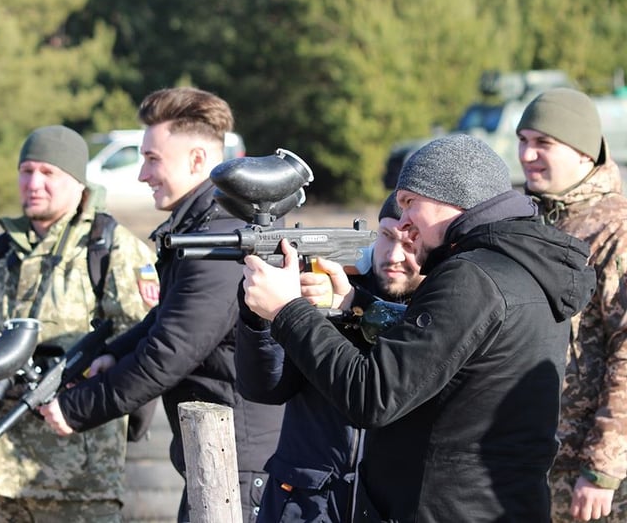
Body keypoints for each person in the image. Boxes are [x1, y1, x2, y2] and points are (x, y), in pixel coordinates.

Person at [241, 133, 596, 522]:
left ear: (453, 196)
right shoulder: (522, 266)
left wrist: (287, 310)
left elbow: (372, 396)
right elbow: (452, 350)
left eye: (411, 202)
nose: (405, 220)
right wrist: (354, 303)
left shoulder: (472, 277)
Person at [39, 86, 284, 522]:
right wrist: (114, 354)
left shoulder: (223, 240)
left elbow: (169, 351)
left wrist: (77, 409)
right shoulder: (206, 227)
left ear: (196, 160)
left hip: (241, 467)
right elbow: (167, 316)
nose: (142, 175)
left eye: (152, 159)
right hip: (220, 457)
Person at [0, 125, 158, 522]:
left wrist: (92, 368)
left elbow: (147, 338)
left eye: (47, 172)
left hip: (79, 479)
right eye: (26, 171)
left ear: (77, 181)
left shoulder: (112, 250)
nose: (33, 183)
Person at [235, 192, 424, 521]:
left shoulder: (446, 311)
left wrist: (353, 306)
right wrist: (263, 315)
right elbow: (265, 387)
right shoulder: (333, 285)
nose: (394, 255)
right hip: (305, 501)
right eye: (386, 236)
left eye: (410, 243)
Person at [517, 87, 627, 522]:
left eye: (543, 143)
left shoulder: (615, 230)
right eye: (523, 140)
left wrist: (602, 468)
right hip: (535, 458)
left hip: (590, 477)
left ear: (583, 152)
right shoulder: (532, 222)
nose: (527, 155)